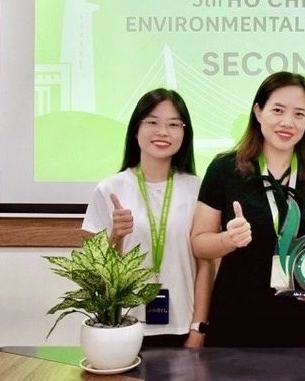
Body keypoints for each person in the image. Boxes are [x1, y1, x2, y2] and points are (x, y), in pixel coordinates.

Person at [190, 72, 305, 347]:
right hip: (235, 318)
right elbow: (199, 244)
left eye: (299, 114)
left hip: (297, 323)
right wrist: (228, 240)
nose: (288, 122)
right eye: (278, 110)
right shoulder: (224, 169)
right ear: (258, 111)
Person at [82, 88, 212, 348]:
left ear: (184, 134)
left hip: (184, 326)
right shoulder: (109, 189)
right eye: (152, 122)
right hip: (122, 327)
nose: (163, 132)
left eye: (173, 124)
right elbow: (92, 270)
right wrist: (115, 236)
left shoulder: (198, 188)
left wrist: (198, 328)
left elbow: (205, 266)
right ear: (136, 129)